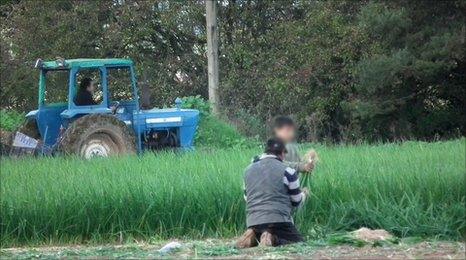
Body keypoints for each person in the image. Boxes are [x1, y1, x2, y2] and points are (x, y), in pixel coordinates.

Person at [236, 137, 309, 248]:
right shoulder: (289, 171)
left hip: (253, 221)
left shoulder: (247, 171)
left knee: (260, 229)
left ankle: (253, 234)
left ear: (265, 151)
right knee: (298, 242)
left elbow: (247, 198)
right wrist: (304, 194)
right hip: (278, 221)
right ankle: (272, 238)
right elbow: (296, 202)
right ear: (282, 153)